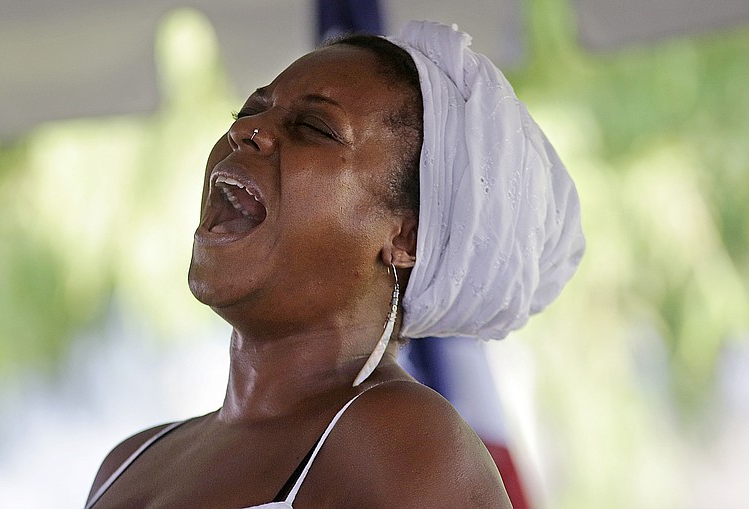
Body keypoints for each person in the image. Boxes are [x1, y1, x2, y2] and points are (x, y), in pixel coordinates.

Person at [84, 20, 584, 509]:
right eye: (250, 109)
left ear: (407, 235)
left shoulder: (402, 443)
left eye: (313, 127)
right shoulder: (128, 461)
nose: (246, 130)